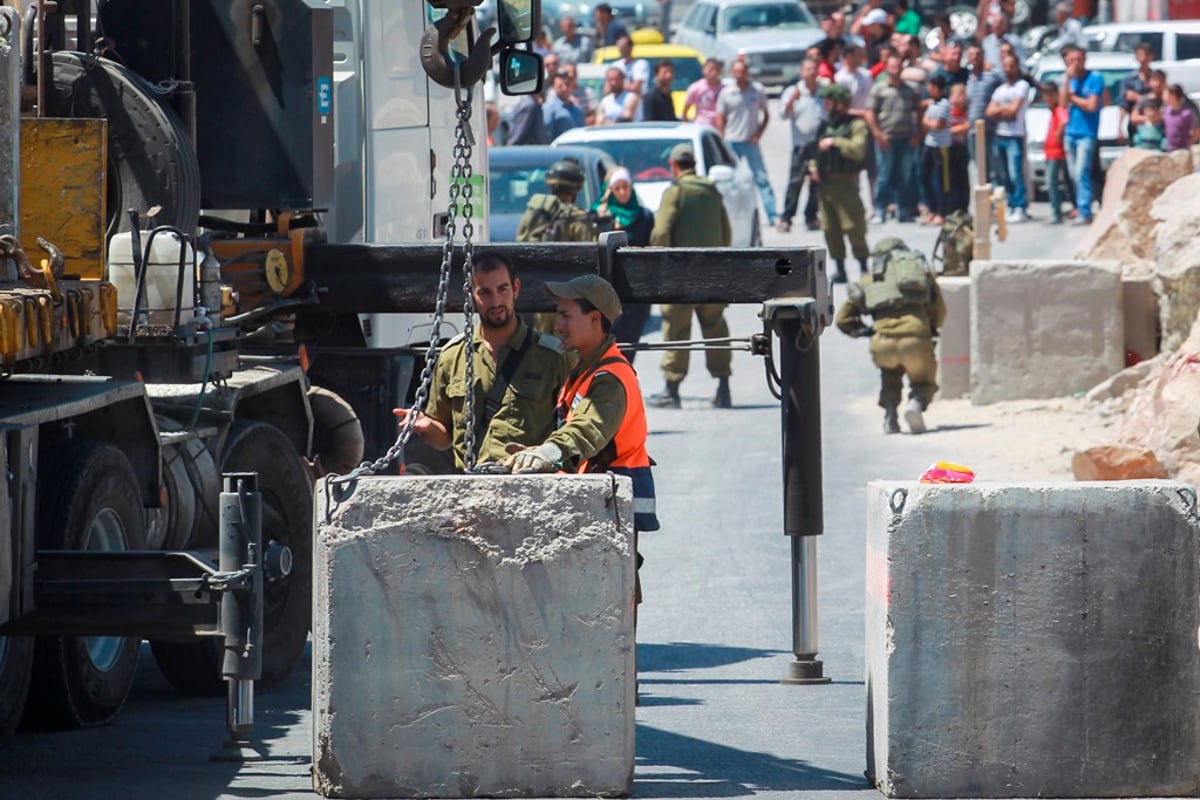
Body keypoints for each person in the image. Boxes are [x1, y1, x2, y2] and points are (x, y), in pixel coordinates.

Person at [502, 274, 659, 616]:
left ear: (594, 319)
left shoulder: (610, 380)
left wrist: (549, 453)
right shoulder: (587, 369)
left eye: (566, 316)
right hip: (599, 501)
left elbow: (588, 429)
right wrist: (536, 452)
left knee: (611, 599)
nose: (557, 324)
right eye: (557, 314)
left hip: (612, 502)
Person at [396, 251, 566, 470]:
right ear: (470, 295)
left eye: (502, 289)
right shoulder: (452, 357)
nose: (495, 301)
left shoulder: (551, 358)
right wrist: (426, 426)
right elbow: (444, 437)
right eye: (484, 292)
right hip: (472, 483)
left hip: (530, 483)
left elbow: (570, 431)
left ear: (515, 289)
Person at [648, 143, 734, 409]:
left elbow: (661, 232)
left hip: (681, 276)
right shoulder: (711, 191)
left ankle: (672, 391)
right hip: (711, 273)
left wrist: (657, 261)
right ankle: (723, 389)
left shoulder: (675, 192)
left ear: (674, 165)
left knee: (676, 330)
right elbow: (726, 232)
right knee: (716, 329)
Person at [835, 237, 946, 435]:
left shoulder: (869, 279)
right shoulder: (921, 273)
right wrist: (930, 329)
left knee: (890, 373)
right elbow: (940, 311)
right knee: (923, 380)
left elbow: (843, 319)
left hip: (882, 342)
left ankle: (890, 414)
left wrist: (865, 330)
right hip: (916, 338)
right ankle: (916, 403)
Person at [811, 83, 870, 285]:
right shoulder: (826, 125)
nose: (825, 106)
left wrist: (836, 142)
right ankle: (840, 269)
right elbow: (814, 151)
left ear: (840, 104)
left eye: (829, 102)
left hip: (846, 184)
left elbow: (858, 149)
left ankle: (863, 266)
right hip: (826, 185)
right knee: (830, 229)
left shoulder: (856, 125)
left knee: (853, 226)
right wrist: (813, 169)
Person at [593, 167, 655, 359]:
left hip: (636, 292)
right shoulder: (600, 215)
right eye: (617, 188)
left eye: (625, 187)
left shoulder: (644, 216)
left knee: (629, 344)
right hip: (607, 290)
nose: (622, 192)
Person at [717, 59, 777, 227]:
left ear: (747, 72)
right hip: (731, 141)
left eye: (742, 71)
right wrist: (721, 139)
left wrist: (759, 134)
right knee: (730, 180)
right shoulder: (727, 93)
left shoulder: (757, 91)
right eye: (736, 72)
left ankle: (773, 215)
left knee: (761, 179)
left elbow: (766, 114)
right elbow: (720, 118)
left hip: (750, 142)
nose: (739, 75)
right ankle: (728, 215)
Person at [866, 54, 920, 223]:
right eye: (892, 66)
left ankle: (903, 210)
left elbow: (918, 112)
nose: (895, 70)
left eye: (898, 67)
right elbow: (870, 113)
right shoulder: (879, 89)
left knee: (905, 176)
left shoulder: (910, 90)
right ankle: (880, 209)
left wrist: (917, 135)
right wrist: (877, 134)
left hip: (906, 138)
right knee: (884, 175)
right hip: (886, 138)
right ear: (886, 68)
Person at [1061, 45, 1106, 225]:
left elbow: (1091, 105)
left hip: (1086, 133)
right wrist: (1067, 83)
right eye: (1072, 60)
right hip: (1070, 132)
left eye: (1079, 60)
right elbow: (1062, 104)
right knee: (1074, 173)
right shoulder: (1069, 81)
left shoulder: (1095, 78)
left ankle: (1085, 211)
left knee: (1082, 172)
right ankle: (1081, 206)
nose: (1076, 64)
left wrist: (1073, 98)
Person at [778, 57, 824, 233]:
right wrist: (792, 101)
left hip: (818, 146)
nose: (811, 72)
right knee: (795, 183)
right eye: (808, 69)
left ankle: (811, 217)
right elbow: (784, 115)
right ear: (802, 72)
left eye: (814, 69)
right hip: (800, 146)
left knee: (816, 183)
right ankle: (787, 218)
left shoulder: (823, 90)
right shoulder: (793, 91)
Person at [986, 52, 1030, 223]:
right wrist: (1004, 111)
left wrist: (1001, 111)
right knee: (1003, 175)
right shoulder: (1000, 90)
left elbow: (1013, 112)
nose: (1008, 69)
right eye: (1005, 66)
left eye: (1011, 66)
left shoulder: (1022, 86)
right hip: (1000, 135)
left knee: (1015, 173)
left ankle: (1020, 206)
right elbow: (989, 112)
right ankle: (1012, 205)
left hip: (1014, 136)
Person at [965, 42, 1003, 186]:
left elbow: (1006, 85)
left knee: (994, 167)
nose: (975, 58)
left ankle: (996, 201)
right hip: (973, 131)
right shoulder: (968, 78)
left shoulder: (992, 76)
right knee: (978, 168)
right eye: (971, 55)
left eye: (978, 55)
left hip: (991, 130)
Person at [1039, 82, 1074, 225]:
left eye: (1049, 95)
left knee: (1052, 183)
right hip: (1050, 151)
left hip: (1056, 152)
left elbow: (1064, 120)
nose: (1047, 99)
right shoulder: (1052, 110)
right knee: (1057, 182)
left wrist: (1057, 135)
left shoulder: (1059, 109)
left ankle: (1056, 213)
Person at [920, 74, 951, 226]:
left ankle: (942, 212)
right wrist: (931, 122)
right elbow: (924, 121)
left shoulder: (945, 104)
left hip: (941, 146)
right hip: (929, 144)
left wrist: (930, 122)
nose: (929, 89)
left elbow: (938, 124)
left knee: (941, 181)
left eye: (931, 86)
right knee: (925, 176)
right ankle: (932, 209)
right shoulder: (932, 104)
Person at [1117, 41, 1156, 143]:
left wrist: (1138, 97)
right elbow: (1123, 105)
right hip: (1135, 124)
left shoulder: (1156, 78)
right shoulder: (1129, 80)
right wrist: (1119, 127)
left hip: (1155, 123)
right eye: (1139, 55)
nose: (1142, 58)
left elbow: (1160, 97)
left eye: (1145, 55)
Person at [543, 70, 586, 139]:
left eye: (567, 84)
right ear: (554, 87)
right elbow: (546, 135)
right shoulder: (548, 109)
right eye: (560, 86)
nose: (564, 88)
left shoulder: (577, 109)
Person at [683, 58, 723, 127]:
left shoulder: (724, 89)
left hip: (719, 127)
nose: (714, 73)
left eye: (716, 69)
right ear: (704, 70)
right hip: (701, 127)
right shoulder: (695, 88)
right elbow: (685, 111)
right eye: (710, 69)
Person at [1164, 83, 1197, 152]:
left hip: (1183, 150)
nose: (1164, 97)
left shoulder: (1187, 113)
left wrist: (1187, 144)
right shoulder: (1167, 110)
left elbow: (1197, 131)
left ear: (1173, 96)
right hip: (1169, 148)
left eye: (1166, 95)